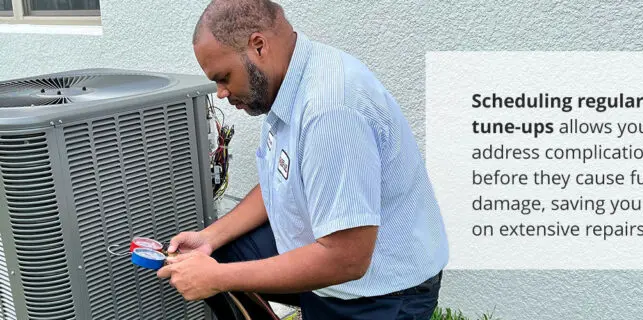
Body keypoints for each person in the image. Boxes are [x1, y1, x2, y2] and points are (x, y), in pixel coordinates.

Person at [156, 0, 449, 319]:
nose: (221, 93)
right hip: (331, 261)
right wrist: (207, 238)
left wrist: (217, 278)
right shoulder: (290, 81)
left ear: (258, 46)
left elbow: (346, 259)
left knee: (218, 271)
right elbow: (280, 182)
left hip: (379, 291)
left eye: (224, 77)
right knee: (220, 254)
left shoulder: (330, 112)